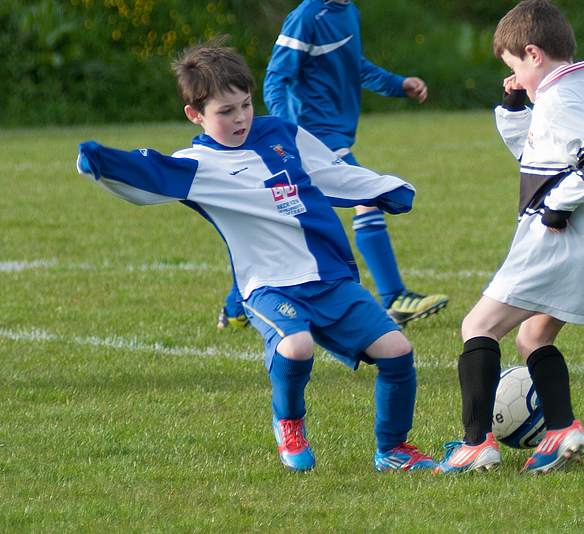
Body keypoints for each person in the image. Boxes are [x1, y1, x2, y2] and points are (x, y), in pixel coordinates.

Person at [76, 36, 437, 473]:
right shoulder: (197, 165)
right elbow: (149, 172)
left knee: (397, 350)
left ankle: (394, 450)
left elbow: (329, 172)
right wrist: (99, 161)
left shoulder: (282, 133)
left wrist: (382, 189)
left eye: (245, 104)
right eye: (225, 112)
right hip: (266, 286)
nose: (240, 117)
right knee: (297, 345)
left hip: (329, 277)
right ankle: (289, 422)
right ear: (195, 114)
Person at [434, 0, 584, 475]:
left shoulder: (561, 99)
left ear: (533, 53)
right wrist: (514, 105)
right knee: (532, 335)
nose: (515, 77)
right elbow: (540, 152)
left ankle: (476, 444)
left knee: (477, 327)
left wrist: (555, 207)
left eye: (514, 67)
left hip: (560, 240)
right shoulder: (576, 90)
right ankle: (562, 429)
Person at [256, 0, 448, 329]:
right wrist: (288, 134)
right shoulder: (305, 18)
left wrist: (398, 85)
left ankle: (239, 305)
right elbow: (277, 78)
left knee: (292, 220)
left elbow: (354, 65)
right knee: (367, 198)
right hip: (314, 134)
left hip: (335, 132)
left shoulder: (348, 13)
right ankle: (395, 296)